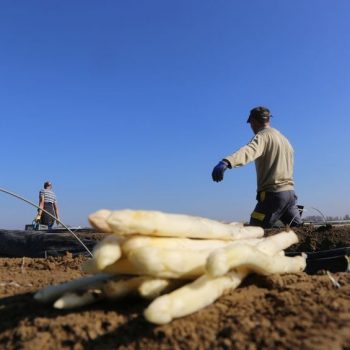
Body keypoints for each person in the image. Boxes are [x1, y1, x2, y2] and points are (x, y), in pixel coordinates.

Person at [211, 106, 302, 228]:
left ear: (253, 121)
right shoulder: (285, 140)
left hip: (273, 196)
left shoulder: (263, 136)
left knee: (254, 231)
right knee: (300, 232)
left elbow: (249, 150)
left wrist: (227, 162)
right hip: (290, 195)